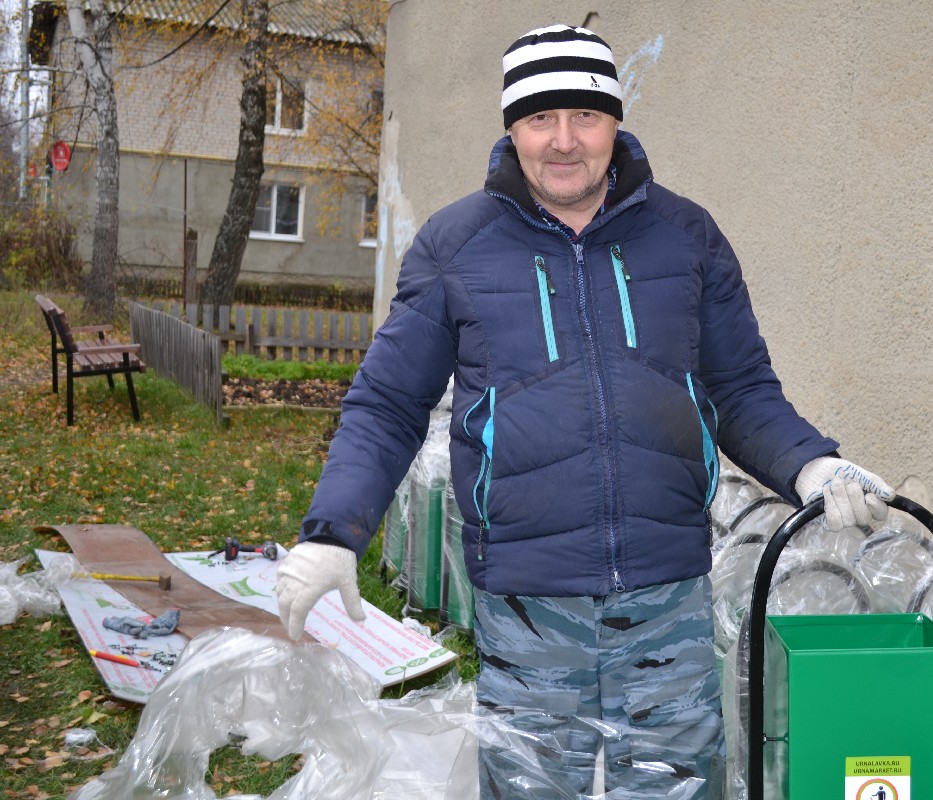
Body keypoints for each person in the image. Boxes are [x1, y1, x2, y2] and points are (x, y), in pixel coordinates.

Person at [275, 23, 893, 799]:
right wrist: (334, 533)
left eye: (586, 117)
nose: (563, 142)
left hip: (666, 595)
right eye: (540, 118)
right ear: (512, 128)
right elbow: (389, 404)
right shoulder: (455, 246)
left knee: (676, 787)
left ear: (616, 122)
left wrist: (811, 462)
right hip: (528, 602)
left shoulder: (687, 237)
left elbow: (739, 389)